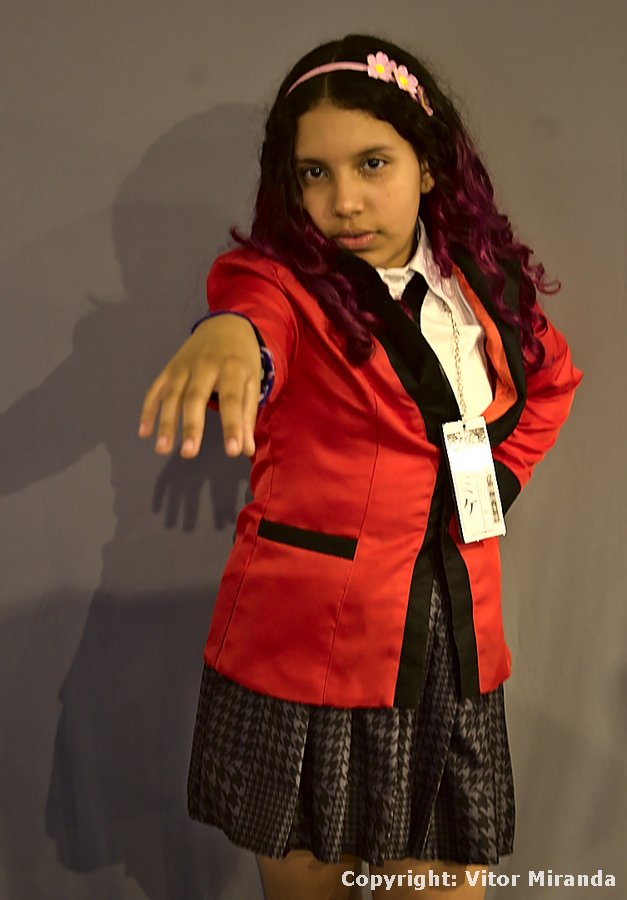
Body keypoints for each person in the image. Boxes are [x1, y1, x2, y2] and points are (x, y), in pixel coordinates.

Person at [138, 34, 582, 900]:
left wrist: (493, 483)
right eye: (314, 173)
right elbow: (250, 318)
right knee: (313, 885)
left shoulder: (480, 289)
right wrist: (228, 338)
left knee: (445, 883)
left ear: (428, 164)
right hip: (312, 651)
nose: (343, 200)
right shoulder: (280, 286)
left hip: (454, 648)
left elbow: (550, 383)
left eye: (372, 163)